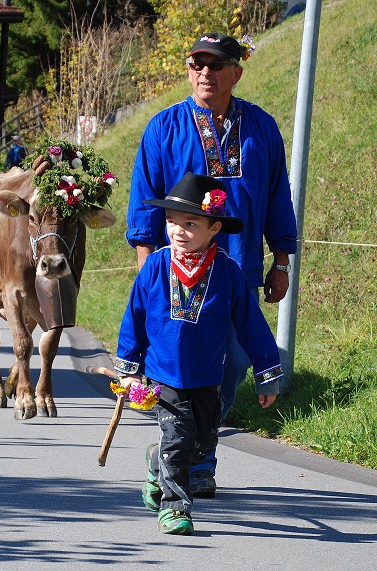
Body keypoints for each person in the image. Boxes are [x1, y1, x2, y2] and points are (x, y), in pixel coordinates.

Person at [126, 32, 297, 497]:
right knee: (182, 367)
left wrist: (281, 260)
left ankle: (194, 450)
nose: (206, 72)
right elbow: (145, 198)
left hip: (236, 270)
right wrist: (148, 266)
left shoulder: (261, 127)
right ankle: (189, 458)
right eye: (197, 64)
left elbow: (277, 195)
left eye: (216, 64)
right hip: (175, 274)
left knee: (233, 363)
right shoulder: (165, 127)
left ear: (235, 73)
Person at [115, 172, 282, 535]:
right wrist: (128, 369)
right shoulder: (155, 268)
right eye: (172, 221)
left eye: (191, 223)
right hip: (164, 376)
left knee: (203, 441)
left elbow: (251, 326)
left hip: (208, 376)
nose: (178, 230)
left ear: (214, 227)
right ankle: (175, 507)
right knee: (177, 440)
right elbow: (134, 320)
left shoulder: (228, 272)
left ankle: (154, 461)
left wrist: (267, 373)